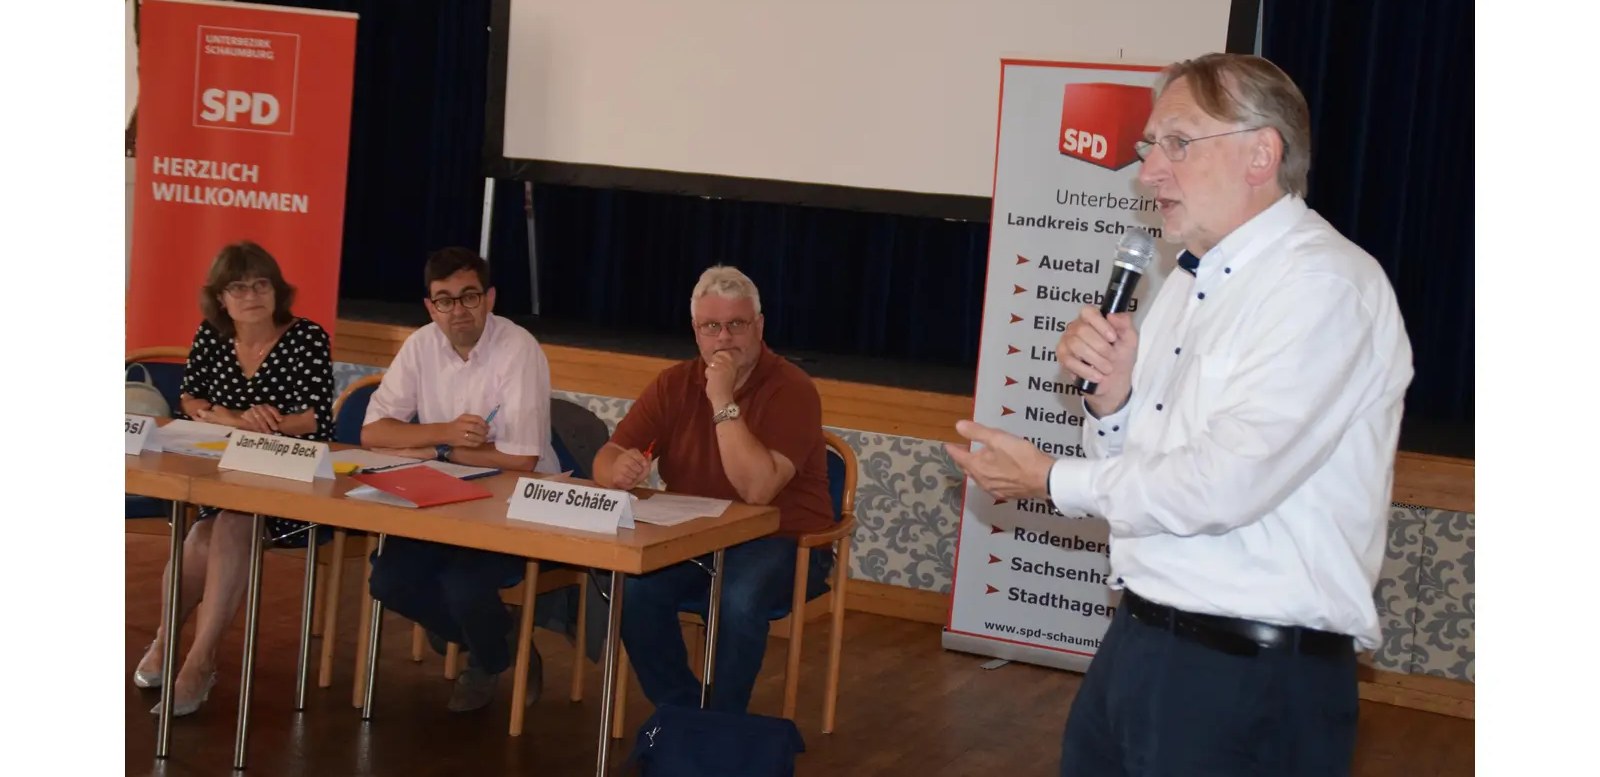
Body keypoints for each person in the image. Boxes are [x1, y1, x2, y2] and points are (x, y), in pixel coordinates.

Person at [947, 53, 1413, 776]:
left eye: (1177, 144)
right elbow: (1139, 473)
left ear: (1263, 153)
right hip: (1139, 640)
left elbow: (1222, 488)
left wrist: (1048, 478)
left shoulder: (1323, 287)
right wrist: (1113, 400)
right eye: (1145, 148)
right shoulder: (1186, 282)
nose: (1148, 173)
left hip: (1249, 674)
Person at [594, 265, 836, 713]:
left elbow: (758, 489)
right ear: (695, 331)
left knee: (737, 600)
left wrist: (722, 400)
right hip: (697, 534)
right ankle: (685, 714)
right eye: (711, 327)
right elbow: (606, 456)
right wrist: (618, 470)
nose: (723, 338)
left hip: (783, 540)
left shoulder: (793, 389)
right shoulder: (673, 383)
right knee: (630, 585)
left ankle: (722, 721)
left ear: (759, 326)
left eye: (737, 325)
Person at [134, 241, 335, 717]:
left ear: (277, 290)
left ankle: (199, 662)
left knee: (230, 525)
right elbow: (189, 400)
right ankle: (167, 640)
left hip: (290, 480)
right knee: (201, 535)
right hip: (225, 475)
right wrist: (229, 415)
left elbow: (316, 417)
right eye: (238, 287)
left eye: (261, 284)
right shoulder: (212, 335)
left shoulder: (307, 337)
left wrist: (268, 423)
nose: (251, 295)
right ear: (220, 299)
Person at [362, 247, 560, 713]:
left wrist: (439, 449)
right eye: (445, 300)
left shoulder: (518, 348)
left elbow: (523, 458)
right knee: (388, 580)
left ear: (490, 298)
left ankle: (484, 656)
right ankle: (497, 639)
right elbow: (373, 432)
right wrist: (445, 437)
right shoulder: (421, 345)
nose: (458, 310)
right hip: (445, 498)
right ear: (431, 307)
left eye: (469, 297)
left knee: (462, 586)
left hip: (515, 506)